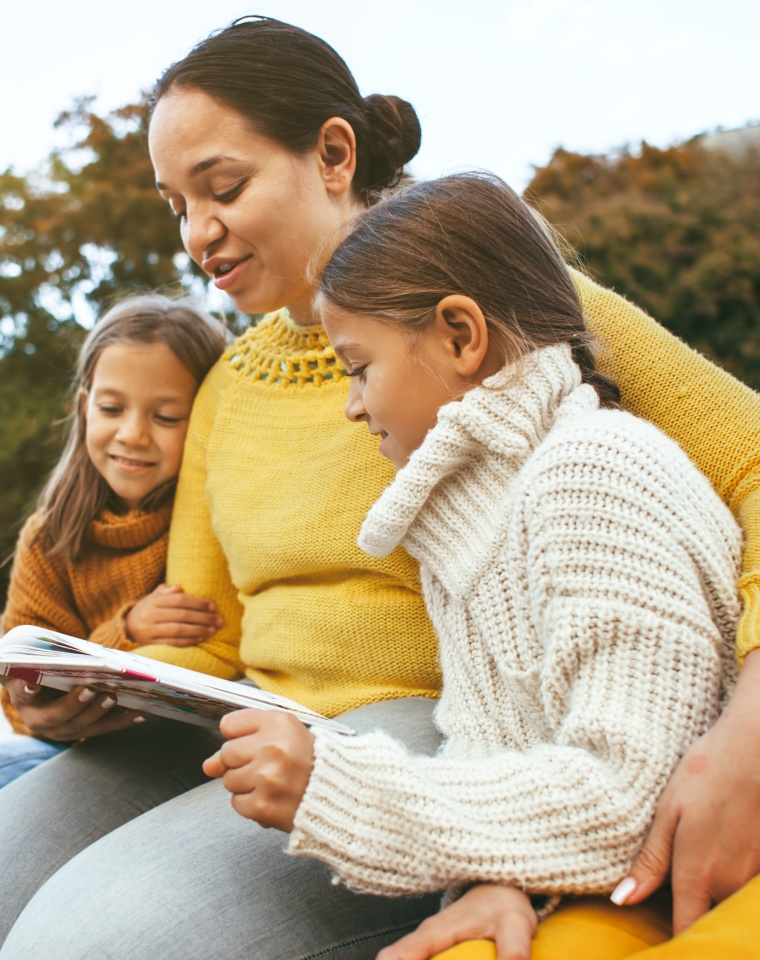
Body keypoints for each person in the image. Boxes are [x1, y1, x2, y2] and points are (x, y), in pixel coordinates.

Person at [0, 17, 760, 960]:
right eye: (176, 205)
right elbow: (209, 634)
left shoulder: (496, 306)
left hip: (428, 729)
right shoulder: (226, 386)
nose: (197, 232)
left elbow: (750, 460)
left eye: (223, 188)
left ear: (334, 154)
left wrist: (750, 725)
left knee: (82, 942)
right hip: (247, 724)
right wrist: (94, 694)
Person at [204, 170, 743, 959]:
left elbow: (628, 798)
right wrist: (491, 879)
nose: (353, 407)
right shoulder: (463, 528)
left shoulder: (592, 475)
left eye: (358, 368)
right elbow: (490, 753)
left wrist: (339, 785)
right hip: (605, 876)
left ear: (461, 335)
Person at [0, 294, 225, 959]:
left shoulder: (210, 520)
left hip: (178, 760)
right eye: (111, 409)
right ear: (83, 406)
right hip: (77, 752)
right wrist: (48, 696)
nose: (133, 434)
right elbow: (22, 698)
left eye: (166, 416)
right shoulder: (53, 535)